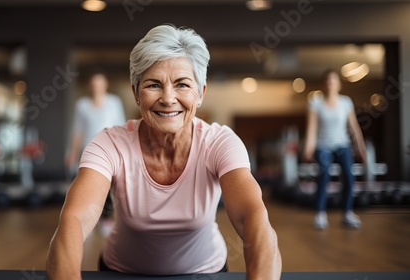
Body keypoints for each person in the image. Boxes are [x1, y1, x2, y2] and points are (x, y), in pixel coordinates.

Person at [47, 24, 281, 280]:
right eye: (153, 85)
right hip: (121, 272)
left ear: (200, 93)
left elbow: (253, 217)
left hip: (204, 272)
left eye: (182, 85)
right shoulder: (109, 144)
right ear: (136, 93)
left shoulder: (220, 142)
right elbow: (74, 220)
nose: (168, 98)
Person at [303, 69, 367, 230]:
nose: (330, 83)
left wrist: (361, 147)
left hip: (342, 145)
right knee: (323, 173)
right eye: (327, 81)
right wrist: (308, 148)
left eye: (333, 80)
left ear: (339, 84)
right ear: (323, 85)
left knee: (348, 174)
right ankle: (320, 214)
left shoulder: (346, 102)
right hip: (322, 147)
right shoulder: (315, 103)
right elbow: (311, 129)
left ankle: (347, 213)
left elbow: (354, 128)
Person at [65, 71, 126, 234]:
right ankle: (86, 221)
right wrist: (71, 153)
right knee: (86, 187)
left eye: (99, 83)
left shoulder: (114, 102)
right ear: (89, 86)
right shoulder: (82, 105)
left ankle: (105, 220)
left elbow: (120, 127)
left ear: (105, 84)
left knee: (107, 187)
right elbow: (78, 131)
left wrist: (122, 151)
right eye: (93, 83)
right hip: (88, 151)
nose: (96, 86)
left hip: (109, 150)